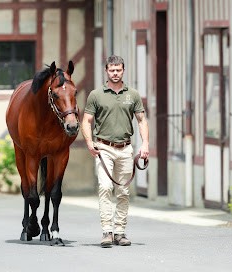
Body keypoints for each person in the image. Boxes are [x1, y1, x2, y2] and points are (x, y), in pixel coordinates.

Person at [81, 55, 149, 248]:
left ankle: (120, 232)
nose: (115, 73)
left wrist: (145, 144)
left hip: (126, 148)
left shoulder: (133, 95)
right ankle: (107, 231)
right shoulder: (96, 95)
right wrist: (89, 142)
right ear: (106, 71)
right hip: (103, 148)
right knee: (105, 187)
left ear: (123, 70)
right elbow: (86, 121)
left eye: (118, 70)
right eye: (112, 70)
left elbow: (142, 120)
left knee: (123, 191)